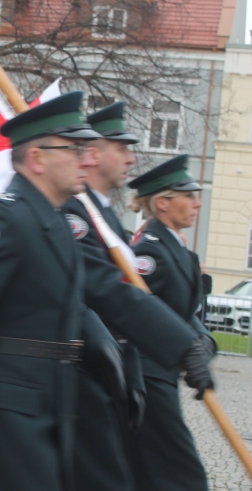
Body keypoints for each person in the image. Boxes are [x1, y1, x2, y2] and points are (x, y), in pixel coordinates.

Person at [0, 92, 213, 491]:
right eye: (74, 149)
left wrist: (182, 345)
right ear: (37, 158)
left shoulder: (52, 223)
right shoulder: (3, 223)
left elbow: (110, 292)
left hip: (45, 410)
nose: (86, 159)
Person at [64, 109, 218, 491]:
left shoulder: (105, 217)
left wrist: (200, 340)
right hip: (119, 371)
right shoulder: (85, 217)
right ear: (93, 153)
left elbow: (174, 308)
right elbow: (115, 295)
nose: (132, 158)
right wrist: (183, 345)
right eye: (122, 148)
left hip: (132, 372)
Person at [126, 154, 215, 491]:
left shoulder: (179, 250)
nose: (197, 203)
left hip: (164, 375)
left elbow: (184, 313)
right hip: (147, 377)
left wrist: (204, 341)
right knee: (183, 476)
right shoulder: (148, 253)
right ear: (162, 203)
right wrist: (186, 344)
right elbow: (140, 311)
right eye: (188, 196)